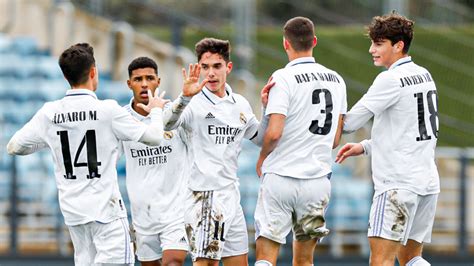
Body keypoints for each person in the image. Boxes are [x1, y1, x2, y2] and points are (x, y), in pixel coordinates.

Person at [7, 43, 169, 266]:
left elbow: (15, 146)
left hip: (75, 217)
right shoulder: (108, 110)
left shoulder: (50, 113)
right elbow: (154, 137)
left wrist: (50, 141)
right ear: (93, 71)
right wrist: (157, 110)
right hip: (107, 215)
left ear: (66, 76)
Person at [335, 12, 439, 266]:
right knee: (412, 259)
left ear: (398, 46)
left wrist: (333, 99)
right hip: (426, 184)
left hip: (397, 185)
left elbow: (349, 124)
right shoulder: (424, 74)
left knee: (380, 261)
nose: (372, 49)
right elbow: (412, 130)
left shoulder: (389, 79)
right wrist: (366, 146)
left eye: (379, 43)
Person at [163, 37, 273, 266]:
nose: (210, 73)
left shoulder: (240, 104)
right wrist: (184, 97)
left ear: (228, 68)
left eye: (216, 66)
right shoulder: (193, 102)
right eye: (205, 67)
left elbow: (261, 138)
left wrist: (266, 107)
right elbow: (167, 124)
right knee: (206, 263)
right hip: (205, 196)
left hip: (231, 196)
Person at [254, 17, 347, 266]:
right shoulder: (337, 80)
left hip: (281, 177)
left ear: (286, 44)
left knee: (266, 258)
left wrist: (262, 157)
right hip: (316, 182)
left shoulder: (282, 78)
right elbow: (335, 139)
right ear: (314, 41)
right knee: (305, 261)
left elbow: (273, 133)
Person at [121, 56, 188, 266]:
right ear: (129, 84)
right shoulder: (120, 119)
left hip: (175, 212)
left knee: (173, 262)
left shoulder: (175, 115)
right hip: (142, 215)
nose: (144, 84)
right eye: (138, 79)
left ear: (158, 81)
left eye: (149, 78)